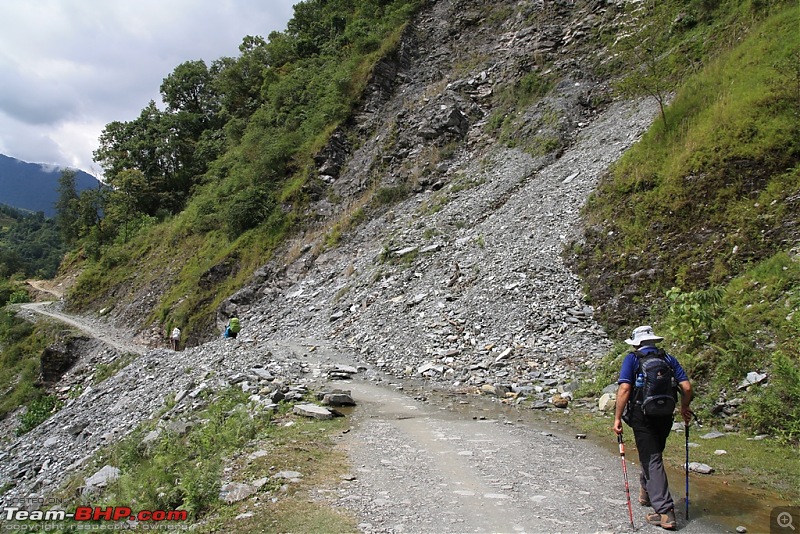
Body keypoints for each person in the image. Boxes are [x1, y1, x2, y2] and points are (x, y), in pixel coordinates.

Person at [613, 325, 693, 531]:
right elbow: (686, 387)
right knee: (653, 454)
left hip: (642, 415)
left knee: (652, 458)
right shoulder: (668, 359)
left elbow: (624, 388)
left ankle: (665, 512)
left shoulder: (633, 359)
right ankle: (646, 492)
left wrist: (617, 418)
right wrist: (684, 407)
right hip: (665, 414)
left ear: (637, 343)